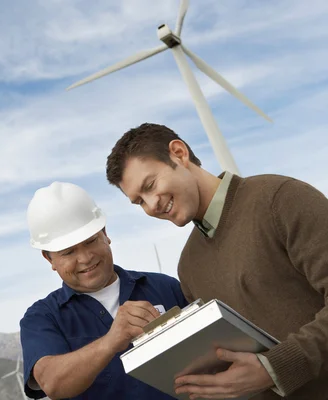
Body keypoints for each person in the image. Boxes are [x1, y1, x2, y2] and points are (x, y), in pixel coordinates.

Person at [105, 122, 328, 399]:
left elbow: (266, 368)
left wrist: (273, 368)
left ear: (179, 154)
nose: (151, 205)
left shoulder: (280, 198)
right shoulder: (188, 266)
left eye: (150, 185)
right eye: (139, 201)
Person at [19, 181, 188, 400]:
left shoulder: (165, 287)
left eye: (91, 241)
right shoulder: (42, 318)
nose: (85, 258)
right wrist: (111, 341)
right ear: (49, 258)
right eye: (68, 252)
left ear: (105, 234)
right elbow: (52, 383)